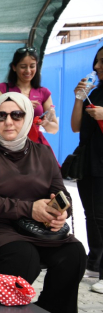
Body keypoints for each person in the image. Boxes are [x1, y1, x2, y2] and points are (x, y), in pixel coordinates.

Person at [0, 92, 85, 313]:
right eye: (1, 115)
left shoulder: (42, 153)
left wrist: (61, 212)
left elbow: (61, 192)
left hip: (35, 228)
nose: (8, 121)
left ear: (27, 118)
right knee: (25, 257)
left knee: (74, 253)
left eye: (17, 115)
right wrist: (29, 209)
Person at [71, 45, 103, 294]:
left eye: (102, 62)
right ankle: (94, 262)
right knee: (91, 214)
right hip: (89, 162)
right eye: (97, 61)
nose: (97, 66)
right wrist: (79, 98)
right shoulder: (96, 91)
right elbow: (75, 126)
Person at [0, 47, 58, 146]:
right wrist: (21, 106)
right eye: (23, 66)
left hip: (35, 144)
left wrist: (46, 123)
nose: (28, 71)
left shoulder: (44, 92)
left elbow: (54, 129)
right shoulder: (3, 89)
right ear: (14, 67)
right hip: (9, 144)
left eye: (32, 66)